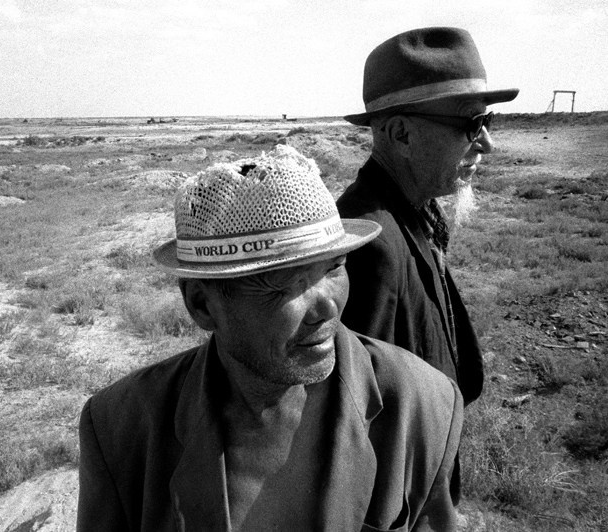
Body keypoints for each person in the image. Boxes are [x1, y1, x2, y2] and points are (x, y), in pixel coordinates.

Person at [77, 145, 464, 531]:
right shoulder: (121, 429)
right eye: (288, 285)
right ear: (202, 305)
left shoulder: (423, 406)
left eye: (334, 269)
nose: (327, 307)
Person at [337, 27, 519, 406]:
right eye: (471, 124)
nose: (487, 143)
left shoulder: (416, 212)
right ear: (401, 134)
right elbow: (361, 411)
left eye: (488, 121)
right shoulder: (369, 244)